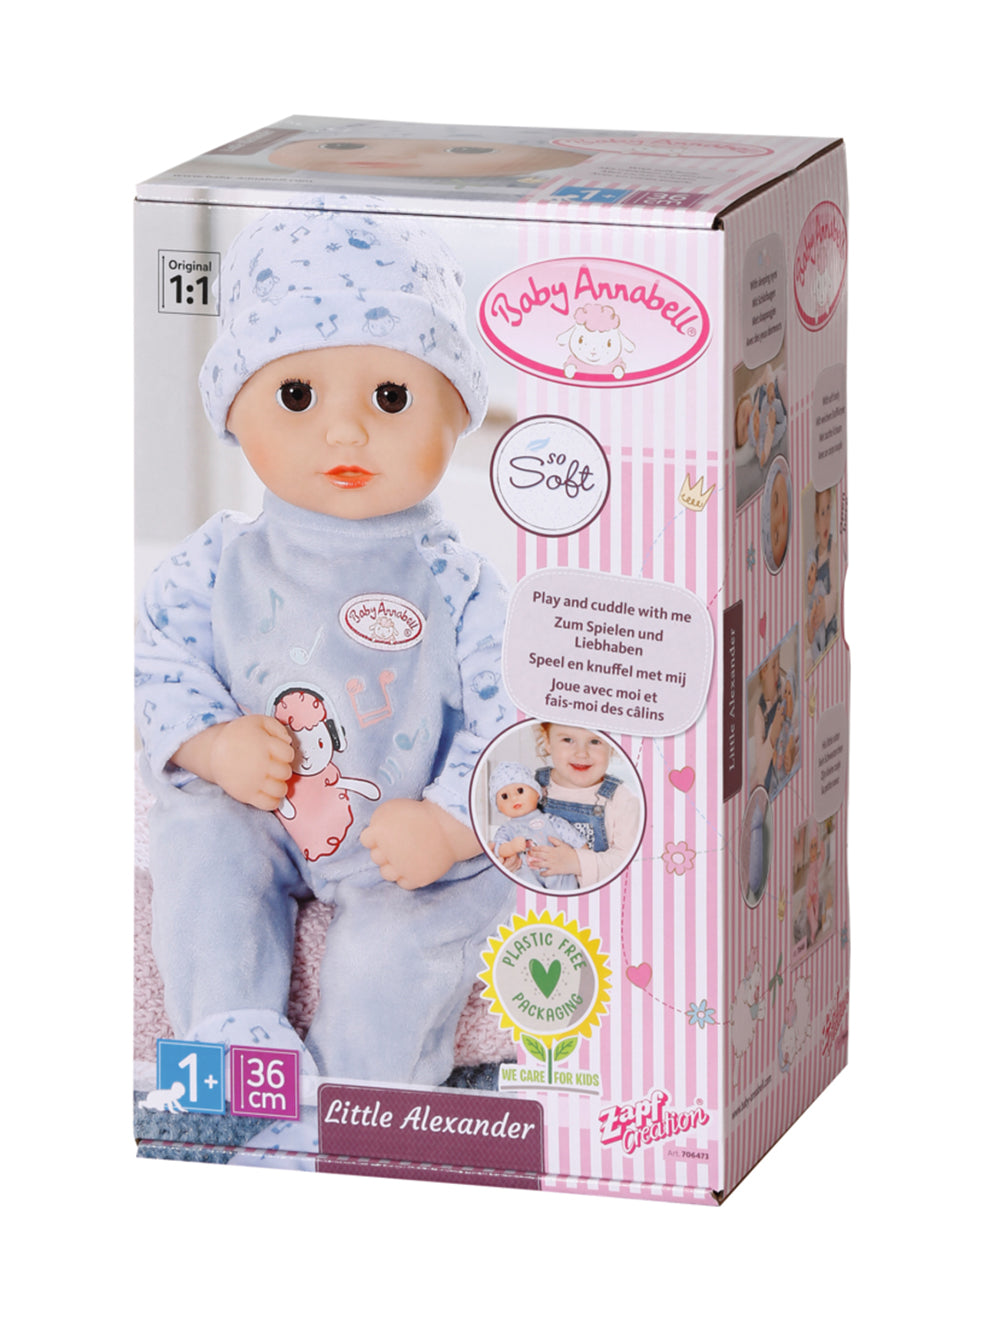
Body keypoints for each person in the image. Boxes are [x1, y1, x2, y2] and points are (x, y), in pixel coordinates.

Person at [135, 208, 514, 1094]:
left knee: (404, 939)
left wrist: (450, 822)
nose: (345, 433)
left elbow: (513, 717)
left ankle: (356, 1093)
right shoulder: (217, 561)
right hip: (258, 806)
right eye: (298, 396)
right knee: (202, 843)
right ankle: (231, 1042)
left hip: (399, 835)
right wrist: (210, 744)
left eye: (391, 398)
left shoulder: (462, 586)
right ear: (235, 411)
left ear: (457, 413)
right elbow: (156, 660)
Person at [526, 725, 642, 889]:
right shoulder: (529, 787)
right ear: (548, 742)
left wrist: (576, 862)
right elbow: (516, 831)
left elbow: (628, 862)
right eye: (568, 739)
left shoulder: (622, 800)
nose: (581, 753)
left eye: (595, 741)